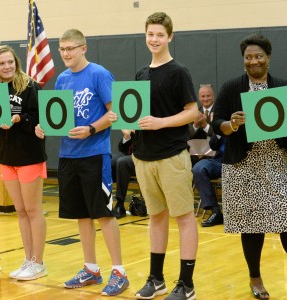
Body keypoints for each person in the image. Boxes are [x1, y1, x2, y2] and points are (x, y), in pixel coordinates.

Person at [109, 12, 199, 300]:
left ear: (170, 37)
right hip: (143, 157)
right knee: (156, 218)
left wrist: (161, 122)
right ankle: (156, 279)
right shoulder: (140, 74)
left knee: (184, 218)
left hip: (172, 156)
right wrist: (126, 126)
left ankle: (187, 283)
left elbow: (192, 111)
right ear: (145, 35)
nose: (155, 39)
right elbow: (136, 118)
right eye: (150, 34)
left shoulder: (178, 72)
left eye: (160, 34)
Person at [212, 33, 287, 299]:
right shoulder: (231, 88)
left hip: (277, 163)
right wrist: (231, 125)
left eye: (258, 56)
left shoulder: (284, 87)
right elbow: (216, 124)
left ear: (268, 58)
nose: (253, 61)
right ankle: (255, 279)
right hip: (243, 165)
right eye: (248, 57)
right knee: (252, 226)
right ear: (243, 60)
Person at [45, 28, 129, 296]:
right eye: (62, 49)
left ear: (84, 48)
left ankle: (119, 271)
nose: (66, 53)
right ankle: (91, 268)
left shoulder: (99, 74)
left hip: (94, 154)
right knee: (81, 214)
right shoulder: (61, 79)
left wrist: (91, 128)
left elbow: (115, 112)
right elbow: (58, 117)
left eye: (71, 48)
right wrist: (44, 128)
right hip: (68, 156)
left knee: (103, 214)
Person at [0, 45, 47, 281]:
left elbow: (40, 117)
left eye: (10, 62)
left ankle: (39, 262)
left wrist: (18, 118)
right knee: (21, 211)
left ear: (16, 62)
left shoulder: (31, 86)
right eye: (1, 63)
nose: (7, 66)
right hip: (7, 157)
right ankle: (28, 259)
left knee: (33, 210)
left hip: (29, 155)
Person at [192, 134, 224, 227]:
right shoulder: (221, 121)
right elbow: (213, 145)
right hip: (220, 161)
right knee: (199, 168)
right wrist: (219, 132)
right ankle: (215, 211)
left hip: (241, 159)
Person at [111, 130, 136, 219]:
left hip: (145, 155)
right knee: (110, 159)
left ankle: (120, 203)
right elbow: (122, 149)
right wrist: (127, 136)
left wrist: (137, 132)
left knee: (122, 162)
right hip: (130, 155)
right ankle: (105, 202)